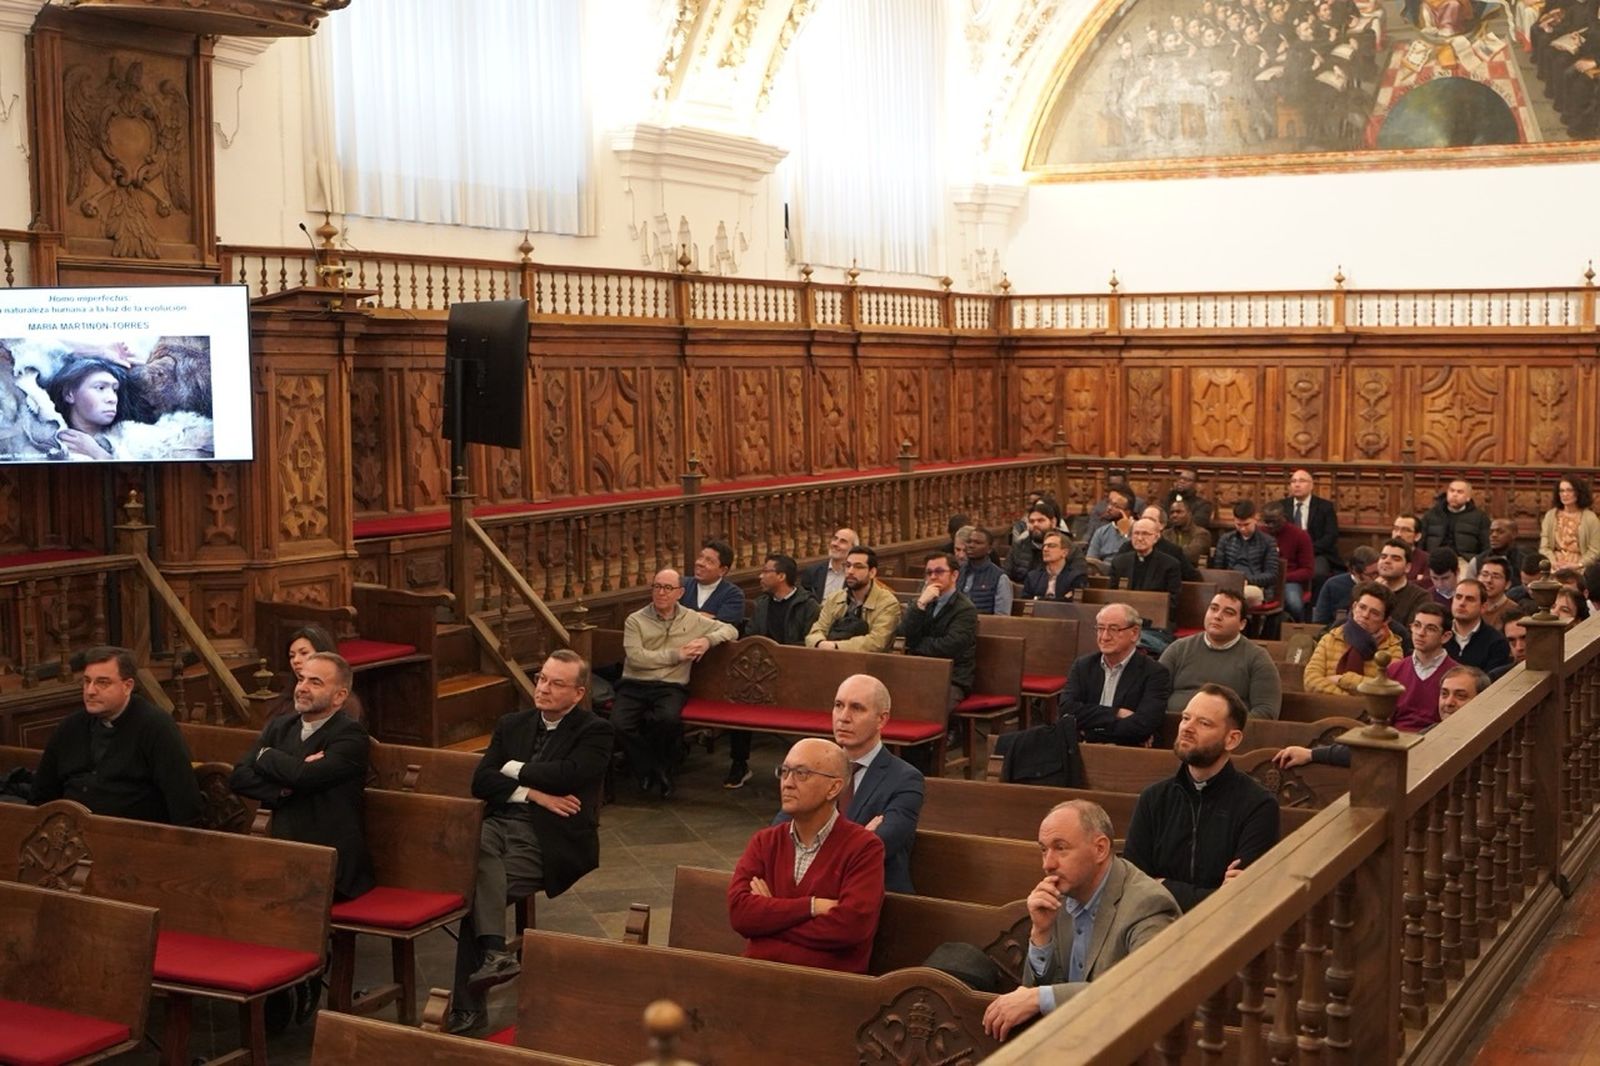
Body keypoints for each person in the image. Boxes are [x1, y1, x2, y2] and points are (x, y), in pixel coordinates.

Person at [445, 650, 613, 1032]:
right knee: (477, 848)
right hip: (500, 823)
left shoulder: (595, 731)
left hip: (548, 838)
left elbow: (569, 775)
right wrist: (533, 793)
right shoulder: (512, 724)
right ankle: (494, 955)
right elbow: (481, 781)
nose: (544, 688)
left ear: (578, 693)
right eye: (542, 679)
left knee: (475, 897)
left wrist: (512, 768)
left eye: (556, 683)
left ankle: (470, 1006)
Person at [979, 800, 1180, 1042]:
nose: (1047, 864)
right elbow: (1032, 997)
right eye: (1043, 850)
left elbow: (1141, 988)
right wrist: (1041, 934)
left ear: (1100, 849)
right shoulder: (1062, 892)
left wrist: (1040, 998)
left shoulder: (1148, 904)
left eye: (1060, 848)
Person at [728, 738, 885, 973]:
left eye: (801, 774)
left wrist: (770, 918)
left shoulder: (864, 847)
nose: (787, 783)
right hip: (757, 978)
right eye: (784, 772)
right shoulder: (765, 842)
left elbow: (850, 928)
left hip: (823, 985)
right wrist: (811, 907)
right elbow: (741, 915)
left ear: (833, 788)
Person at [230, 651, 375, 899]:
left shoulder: (351, 736)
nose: (302, 688)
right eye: (301, 679)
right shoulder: (281, 726)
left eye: (315, 682)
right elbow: (239, 777)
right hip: (283, 852)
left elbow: (303, 776)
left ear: (340, 696)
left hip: (333, 865)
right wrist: (282, 789)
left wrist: (265, 755)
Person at [1123, 684, 1279, 911]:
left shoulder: (1258, 805)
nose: (1187, 728)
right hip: (1155, 923)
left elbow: (1239, 898)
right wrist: (1213, 895)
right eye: (1186, 718)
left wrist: (1162, 885)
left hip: (1223, 927)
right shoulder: (1154, 798)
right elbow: (1132, 885)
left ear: (1232, 739)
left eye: (1204, 723)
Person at [775, 674, 923, 894]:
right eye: (838, 705)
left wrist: (813, 846)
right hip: (808, 891)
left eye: (857, 708)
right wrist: (860, 836)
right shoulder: (810, 766)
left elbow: (875, 849)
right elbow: (778, 834)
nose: (843, 717)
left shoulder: (905, 779)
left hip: (876, 897)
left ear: (881, 719)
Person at [32, 645, 202, 826]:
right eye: (87, 681)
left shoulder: (157, 728)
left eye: (102, 683)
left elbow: (186, 807)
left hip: (134, 837)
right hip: (69, 835)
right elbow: (41, 796)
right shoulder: (70, 727)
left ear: (127, 686)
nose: (90, 691)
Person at [615, 568, 739, 798]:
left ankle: (657, 769)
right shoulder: (635, 620)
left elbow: (731, 630)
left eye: (667, 588)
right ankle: (650, 768)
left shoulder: (692, 618)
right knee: (619, 725)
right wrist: (676, 655)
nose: (661, 593)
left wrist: (706, 641)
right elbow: (636, 658)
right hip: (634, 683)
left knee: (668, 720)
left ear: (680, 593)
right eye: (657, 587)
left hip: (670, 686)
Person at [1274, 664, 1491, 769]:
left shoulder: (1490, 740)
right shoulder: (1434, 732)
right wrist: (1312, 754)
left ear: (1482, 700)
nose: (1449, 702)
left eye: (1460, 696)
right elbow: (1380, 753)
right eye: (1444, 694)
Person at [726, 553, 821, 788]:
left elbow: (810, 642)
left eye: (766, 571)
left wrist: (780, 655)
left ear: (781, 576)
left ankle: (803, 766)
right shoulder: (763, 603)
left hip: (796, 673)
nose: (760, 576)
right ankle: (739, 763)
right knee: (740, 698)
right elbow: (751, 635)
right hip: (762, 674)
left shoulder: (807, 605)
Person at [1060, 604, 1173, 746]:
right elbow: (1067, 710)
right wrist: (1117, 713)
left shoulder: (1155, 672)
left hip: (1127, 751)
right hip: (1082, 749)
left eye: (1113, 629)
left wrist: (1090, 733)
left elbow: (1143, 725)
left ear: (1134, 633)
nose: (1105, 637)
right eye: (1100, 628)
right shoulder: (1083, 666)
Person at [1159, 590, 1282, 719]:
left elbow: (1266, 712)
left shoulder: (1257, 658)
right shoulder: (1178, 649)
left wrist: (1223, 727)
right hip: (1174, 727)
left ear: (1242, 624)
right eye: (1213, 609)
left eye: (1228, 613)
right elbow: (1154, 695)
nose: (1217, 616)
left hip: (1228, 731)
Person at [901, 551, 978, 710]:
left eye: (939, 572)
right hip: (919, 671)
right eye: (929, 573)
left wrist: (916, 645)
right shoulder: (923, 602)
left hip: (952, 677)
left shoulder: (965, 609)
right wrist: (920, 604)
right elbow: (904, 635)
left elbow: (950, 646)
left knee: (930, 706)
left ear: (954, 575)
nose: (933, 577)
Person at [1302, 582, 1403, 695]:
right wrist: (1348, 700)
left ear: (1385, 620)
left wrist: (1342, 679)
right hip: (1327, 705)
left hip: (1368, 707)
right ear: (1354, 607)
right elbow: (1311, 681)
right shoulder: (1331, 638)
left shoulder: (1392, 649)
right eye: (1362, 607)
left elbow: (1386, 689)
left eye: (1374, 613)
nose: (1365, 615)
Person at [806, 545, 903, 653]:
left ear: (872, 573)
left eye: (858, 567)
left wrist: (836, 646)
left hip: (870, 661)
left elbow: (877, 642)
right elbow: (816, 631)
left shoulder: (887, 603)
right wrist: (819, 643)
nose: (850, 571)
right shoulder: (834, 598)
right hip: (829, 655)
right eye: (848, 566)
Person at [1387, 603, 1458, 732]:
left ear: (1445, 637)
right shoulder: (1394, 670)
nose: (1420, 633)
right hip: (1395, 739)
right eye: (1417, 625)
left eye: (1430, 629)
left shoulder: (1457, 675)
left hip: (1438, 739)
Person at [1108, 517, 1183, 631]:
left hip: (1156, 624)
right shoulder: (1119, 562)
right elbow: (1111, 595)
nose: (1139, 538)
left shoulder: (1170, 565)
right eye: (1136, 533)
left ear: (1156, 537)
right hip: (1123, 622)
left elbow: (1173, 602)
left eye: (1145, 534)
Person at [47, 357, 126, 460]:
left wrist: (97, 453)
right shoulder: (46, 444)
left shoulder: (132, 440)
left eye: (114, 390)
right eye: (100, 388)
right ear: (69, 394)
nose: (112, 399)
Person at [1212, 500, 1280, 607]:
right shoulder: (1226, 539)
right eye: (1238, 525)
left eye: (1246, 524)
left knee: (1243, 594)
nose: (1243, 528)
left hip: (1255, 585)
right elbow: (1218, 569)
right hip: (1229, 582)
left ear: (1255, 519)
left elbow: (1271, 574)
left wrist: (1248, 580)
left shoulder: (1268, 542)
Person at [1278, 468, 1340, 581]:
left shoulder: (1325, 507)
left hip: (1316, 553)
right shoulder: (1281, 506)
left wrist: (1308, 549)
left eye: (1302, 481)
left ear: (1311, 486)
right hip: (1288, 554)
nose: (1297, 485)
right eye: (1293, 481)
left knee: (1319, 573)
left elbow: (1331, 535)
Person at [1445, 579, 1512, 675]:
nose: (1462, 603)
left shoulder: (1497, 642)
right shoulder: (1440, 634)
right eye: (1458, 597)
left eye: (1470, 599)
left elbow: (1491, 679)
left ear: (1483, 607)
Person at [1261, 503, 1314, 620]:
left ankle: (1297, 627)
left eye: (1274, 522)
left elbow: (1308, 570)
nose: (1270, 526)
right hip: (1262, 578)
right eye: (1266, 522)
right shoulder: (1259, 533)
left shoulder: (1300, 535)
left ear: (1283, 517)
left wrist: (1283, 577)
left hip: (1289, 580)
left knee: (1295, 604)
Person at [680, 538, 746, 627]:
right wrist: (709, 617)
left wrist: (686, 616)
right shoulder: (682, 585)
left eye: (709, 561)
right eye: (700, 557)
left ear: (722, 571)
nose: (700, 563)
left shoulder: (733, 595)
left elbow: (722, 626)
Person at [1540, 476, 1600, 570]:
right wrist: (1553, 562)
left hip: (1580, 566)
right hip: (1554, 565)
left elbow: (1595, 550)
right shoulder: (1550, 515)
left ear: (1578, 493)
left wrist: (1578, 565)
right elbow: (1544, 547)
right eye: (1561, 491)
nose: (1565, 494)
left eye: (1569, 490)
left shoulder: (1591, 518)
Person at [1422, 479, 1491, 558]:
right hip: (1434, 558)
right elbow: (1421, 541)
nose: (1454, 494)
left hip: (1464, 559)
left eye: (1460, 492)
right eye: (1452, 491)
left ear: (1468, 498)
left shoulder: (1480, 517)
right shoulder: (1432, 514)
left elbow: (1486, 546)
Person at [1312, 546, 1379, 625]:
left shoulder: (1383, 584)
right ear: (1355, 571)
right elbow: (1320, 621)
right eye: (1372, 574)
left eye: (1378, 573)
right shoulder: (1333, 585)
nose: (1376, 578)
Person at [1373, 538, 1431, 627]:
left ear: (1407, 567)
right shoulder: (1366, 590)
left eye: (1395, 559)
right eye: (1383, 557)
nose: (1387, 561)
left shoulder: (1420, 597)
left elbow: (1412, 632)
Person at [958, 528, 1014, 616]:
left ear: (989, 549)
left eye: (977, 543)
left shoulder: (999, 577)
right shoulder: (958, 572)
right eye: (969, 542)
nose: (971, 545)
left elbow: (1002, 616)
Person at [1020, 530, 1087, 601]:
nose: (1045, 549)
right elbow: (1025, 601)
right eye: (1044, 546)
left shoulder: (1076, 577)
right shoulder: (1032, 577)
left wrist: (1038, 598)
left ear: (1064, 552)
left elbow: (1073, 602)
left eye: (1051, 546)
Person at [1008, 501, 1063, 581]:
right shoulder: (1019, 546)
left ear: (1053, 522)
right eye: (1031, 521)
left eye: (1040, 520)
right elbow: (1005, 576)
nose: (1035, 525)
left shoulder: (1068, 547)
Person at [801, 528, 858, 602]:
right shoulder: (813, 572)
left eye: (843, 541)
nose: (835, 544)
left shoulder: (856, 574)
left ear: (853, 548)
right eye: (835, 539)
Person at [1085, 488, 1135, 571]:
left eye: (1116, 506)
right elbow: (1091, 562)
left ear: (1127, 512)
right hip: (1103, 574)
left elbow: (1130, 561)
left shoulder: (1139, 531)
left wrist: (1125, 535)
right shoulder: (1101, 532)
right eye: (1109, 503)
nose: (1109, 508)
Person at [1164, 495, 1213, 569]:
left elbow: (1191, 555)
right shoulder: (1165, 534)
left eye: (1179, 512)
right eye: (1172, 512)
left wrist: (1168, 552)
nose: (1174, 515)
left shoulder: (1202, 534)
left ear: (1189, 514)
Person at [1391, 514, 1432, 587]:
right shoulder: (1384, 557)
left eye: (1405, 530)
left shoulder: (1427, 559)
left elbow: (1427, 584)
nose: (1398, 534)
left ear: (1417, 536)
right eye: (1396, 529)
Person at [1475, 555, 1515, 630]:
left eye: (1496, 576)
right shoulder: (1470, 606)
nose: (1489, 580)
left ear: (1507, 584)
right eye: (1484, 575)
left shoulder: (1513, 611)